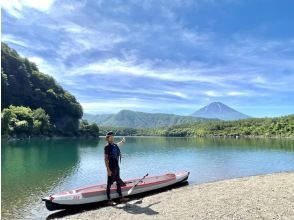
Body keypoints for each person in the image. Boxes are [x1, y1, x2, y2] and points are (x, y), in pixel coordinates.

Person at [104, 131, 129, 205]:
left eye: (112, 136)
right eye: (110, 136)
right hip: (111, 167)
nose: (112, 137)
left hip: (116, 166)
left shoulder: (114, 145)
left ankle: (121, 197)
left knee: (118, 181)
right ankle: (109, 200)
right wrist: (108, 170)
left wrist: (122, 141)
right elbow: (105, 159)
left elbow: (118, 145)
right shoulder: (107, 146)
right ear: (108, 138)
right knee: (109, 183)